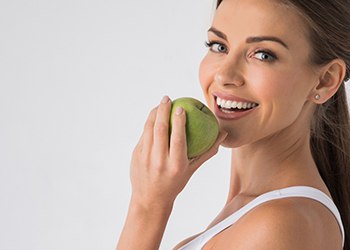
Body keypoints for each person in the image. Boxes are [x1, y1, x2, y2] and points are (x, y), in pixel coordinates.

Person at [116, 0, 350, 249]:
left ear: (325, 81)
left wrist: (147, 207)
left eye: (263, 54)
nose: (224, 76)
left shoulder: (280, 224)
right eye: (219, 46)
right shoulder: (258, 213)